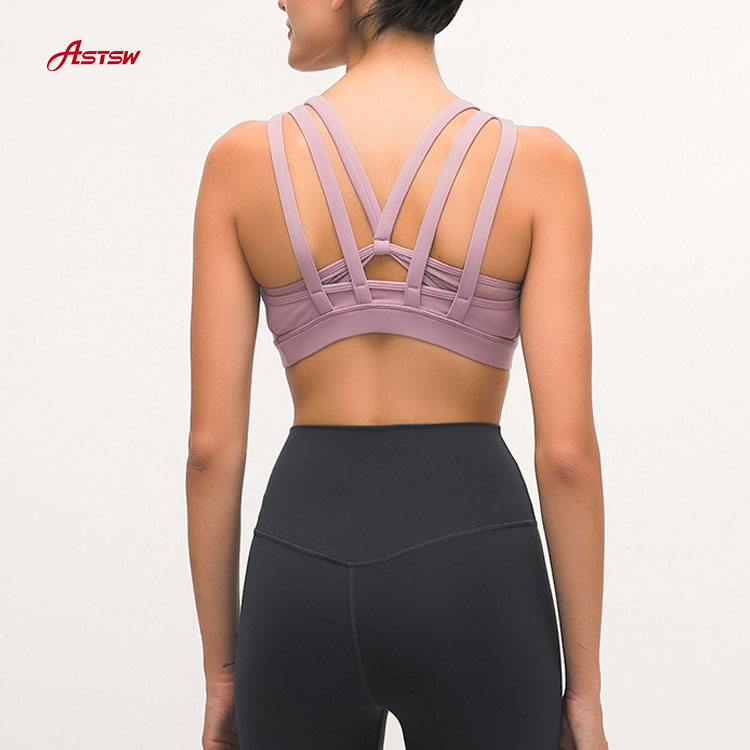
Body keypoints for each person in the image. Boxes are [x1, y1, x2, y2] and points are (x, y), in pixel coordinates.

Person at [185, 0, 608, 748]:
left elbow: (209, 451)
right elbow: (568, 456)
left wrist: (224, 675)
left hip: (300, 568)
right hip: (476, 570)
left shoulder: (239, 164)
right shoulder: (542, 168)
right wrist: (585, 691)